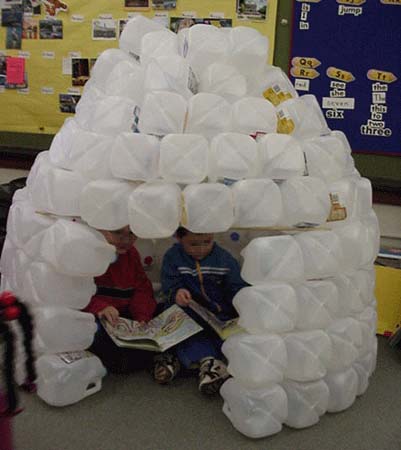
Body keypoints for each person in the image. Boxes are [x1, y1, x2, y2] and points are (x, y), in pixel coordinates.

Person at [159, 227, 248, 395]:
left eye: (207, 242)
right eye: (193, 244)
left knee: (231, 343)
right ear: (179, 238)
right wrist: (177, 292)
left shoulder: (224, 259)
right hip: (189, 312)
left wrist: (242, 307)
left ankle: (205, 364)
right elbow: (169, 286)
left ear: (213, 235)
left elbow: (237, 289)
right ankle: (209, 364)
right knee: (184, 332)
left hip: (219, 315)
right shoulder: (173, 257)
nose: (201, 249)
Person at [84, 225, 164, 376]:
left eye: (132, 234)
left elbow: (142, 288)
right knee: (93, 330)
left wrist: (142, 315)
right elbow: (77, 294)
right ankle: (124, 359)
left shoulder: (131, 254)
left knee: (164, 312)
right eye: (117, 232)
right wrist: (101, 308)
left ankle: (134, 356)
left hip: (125, 314)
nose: (126, 240)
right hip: (98, 315)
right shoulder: (89, 254)